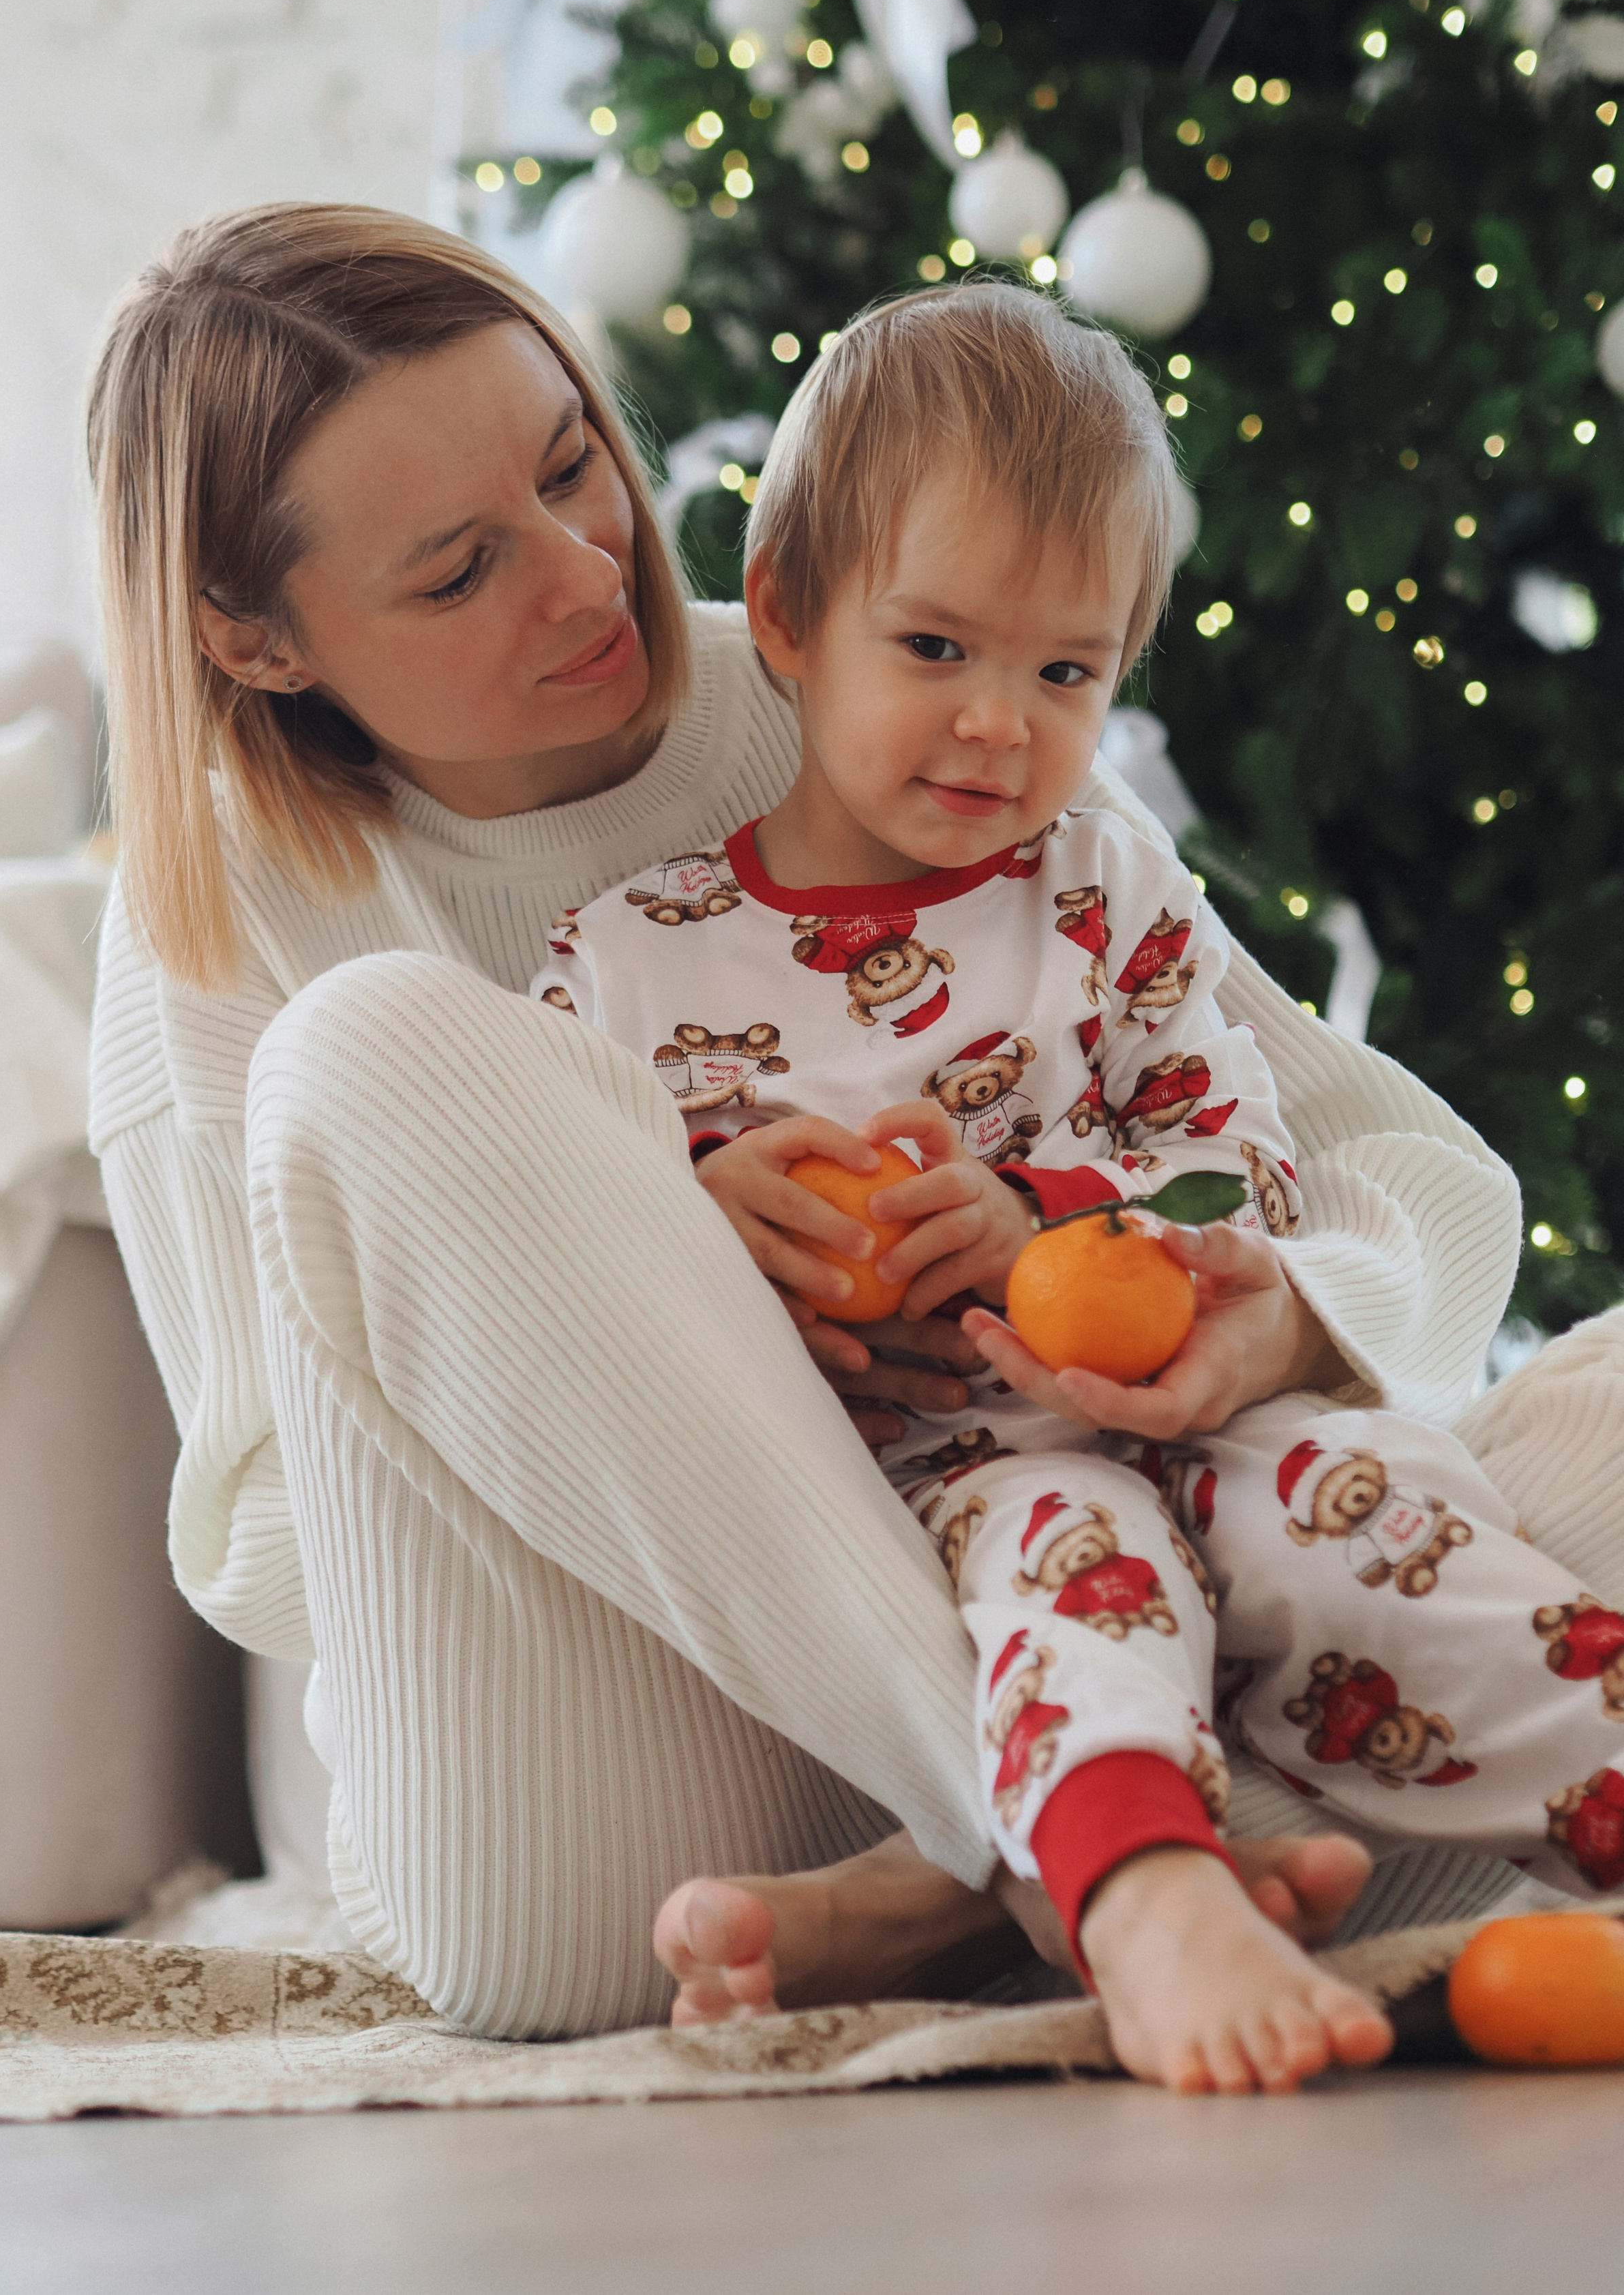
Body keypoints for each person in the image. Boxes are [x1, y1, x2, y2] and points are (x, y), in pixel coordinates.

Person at [86, 202, 1522, 2068]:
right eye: (456, 574)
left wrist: (1267, 1312)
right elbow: (269, 1542)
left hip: (1091, 1591)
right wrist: (661, 1307)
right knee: (378, 1053)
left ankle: (992, 1864)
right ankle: (1095, 1855)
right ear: (252, 638)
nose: (586, 577)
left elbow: (1416, 1187)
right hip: (607, 1796)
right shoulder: (226, 920)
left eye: (572, 464)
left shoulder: (903, 677)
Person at [532, 282, 1624, 2093]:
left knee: (1383, 1531)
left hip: (1207, 1415)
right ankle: (1146, 1904)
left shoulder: (1106, 891)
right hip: (956, 1470)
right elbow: (567, 1263)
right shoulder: (636, 963)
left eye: (1066, 672)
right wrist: (732, 1223)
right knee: (1076, 1562)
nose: (997, 728)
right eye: (938, 647)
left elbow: (1247, 1166)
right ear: (791, 615)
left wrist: (1047, 1215)